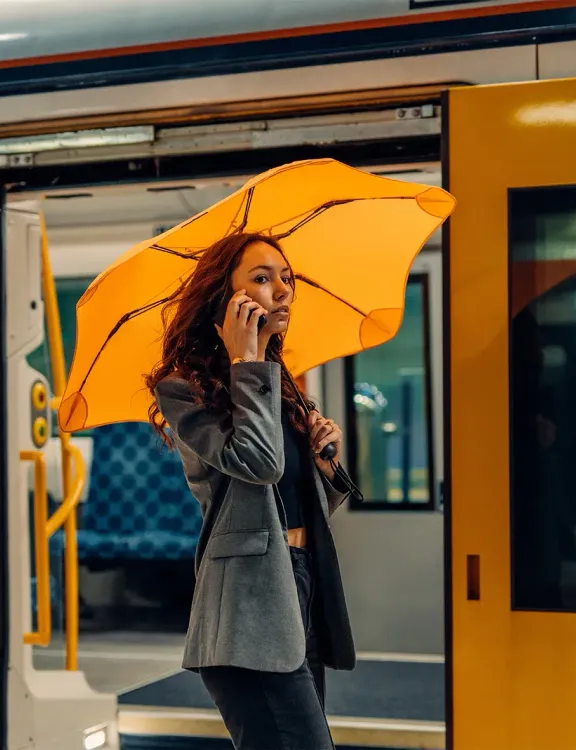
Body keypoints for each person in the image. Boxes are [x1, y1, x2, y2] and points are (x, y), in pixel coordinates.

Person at [146, 232, 356, 750]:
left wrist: (324, 468)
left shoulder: (276, 381)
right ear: (225, 298)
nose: (282, 290)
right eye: (262, 278)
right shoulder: (183, 388)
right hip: (246, 608)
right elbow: (257, 464)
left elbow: (286, 497)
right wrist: (246, 363)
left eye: (286, 278)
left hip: (298, 582)